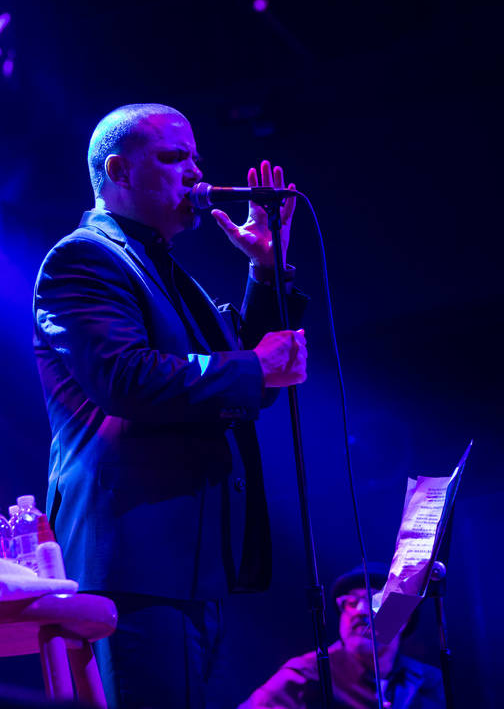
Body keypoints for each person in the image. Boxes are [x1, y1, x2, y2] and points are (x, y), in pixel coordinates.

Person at [33, 103, 308, 709]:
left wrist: (267, 268)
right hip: (135, 561)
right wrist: (254, 366)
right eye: (174, 156)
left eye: (196, 158)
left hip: (190, 563)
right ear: (119, 171)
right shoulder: (84, 259)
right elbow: (125, 378)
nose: (195, 173)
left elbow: (238, 367)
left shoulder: (160, 269)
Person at [239, 564, 446, 708]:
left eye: (375, 601)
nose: (360, 610)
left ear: (402, 619)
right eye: (349, 602)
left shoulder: (429, 682)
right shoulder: (308, 674)